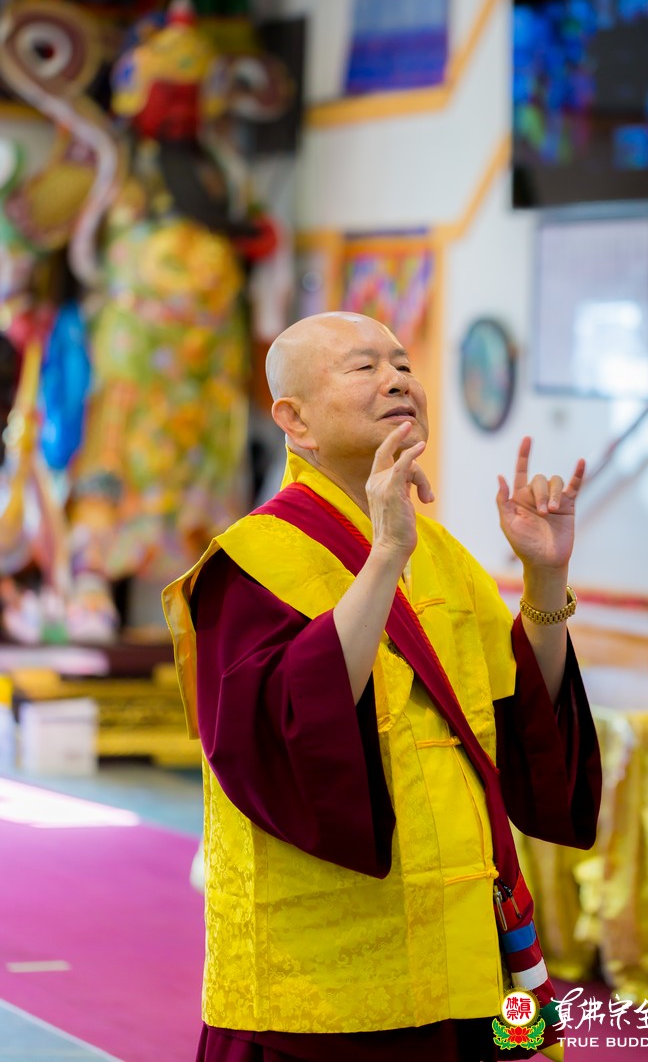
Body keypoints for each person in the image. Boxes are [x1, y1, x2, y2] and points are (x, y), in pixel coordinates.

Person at [163, 311, 602, 1062]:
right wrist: (386, 552)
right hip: (329, 966)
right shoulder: (251, 561)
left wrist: (545, 577)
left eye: (402, 364)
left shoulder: (442, 554)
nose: (398, 380)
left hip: (466, 934)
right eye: (364, 367)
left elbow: (526, 716)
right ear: (293, 420)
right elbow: (285, 738)